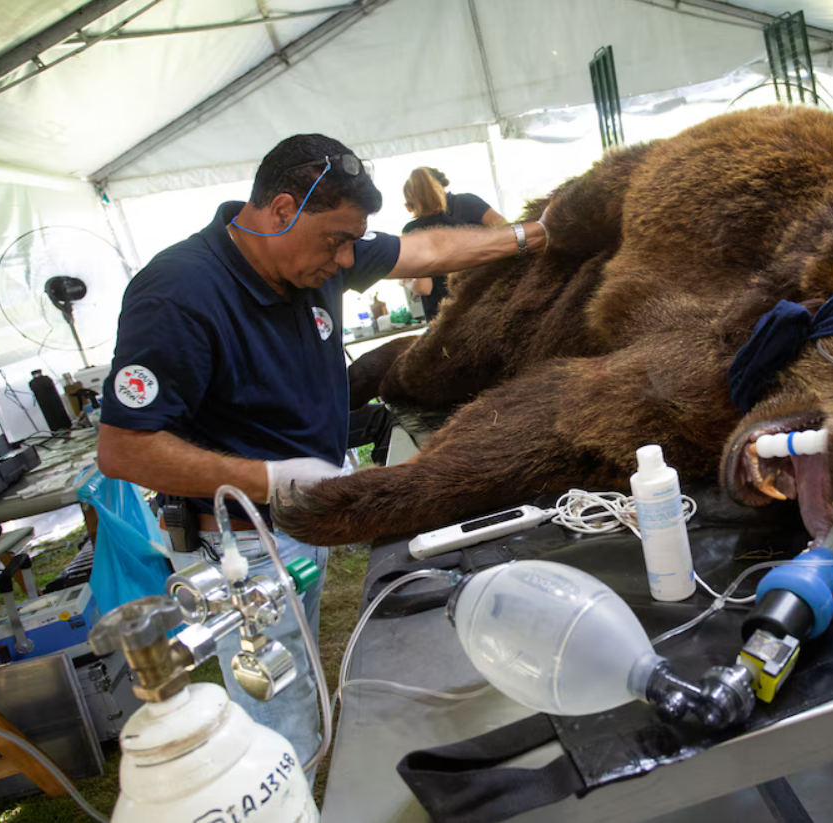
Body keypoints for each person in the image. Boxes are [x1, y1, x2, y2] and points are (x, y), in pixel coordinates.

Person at [96, 134, 547, 768]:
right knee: (273, 710)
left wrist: (533, 236)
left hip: (308, 512)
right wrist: (273, 479)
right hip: (248, 547)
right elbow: (122, 449)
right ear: (282, 210)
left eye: (353, 244)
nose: (345, 261)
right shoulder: (177, 294)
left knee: (303, 662)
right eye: (336, 240)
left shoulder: (315, 253)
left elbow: (432, 246)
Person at [401, 167, 507, 321]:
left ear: (409, 206)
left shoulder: (413, 231)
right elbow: (509, 235)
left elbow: (423, 287)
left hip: (448, 320)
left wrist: (405, 280)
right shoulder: (469, 202)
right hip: (490, 302)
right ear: (442, 185)